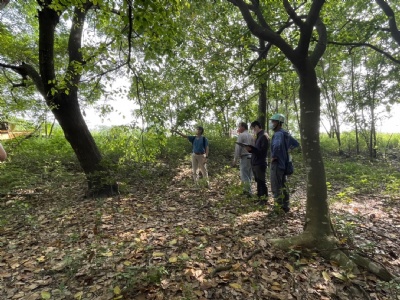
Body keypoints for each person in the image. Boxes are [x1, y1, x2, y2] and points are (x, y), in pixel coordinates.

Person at [269, 113, 299, 213]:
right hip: (285, 164)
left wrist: (274, 156)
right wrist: (287, 151)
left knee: (276, 186)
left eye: (273, 121)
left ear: (278, 123)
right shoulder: (286, 134)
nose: (271, 123)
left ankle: (277, 208)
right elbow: (296, 144)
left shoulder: (278, 134)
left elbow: (277, 146)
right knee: (283, 185)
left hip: (277, 164)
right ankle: (285, 206)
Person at [246, 120, 269, 204]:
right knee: (258, 181)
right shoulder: (258, 136)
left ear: (256, 126)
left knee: (261, 181)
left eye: (253, 128)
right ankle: (259, 197)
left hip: (260, 163)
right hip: (255, 162)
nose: (253, 130)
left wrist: (253, 149)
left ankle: (264, 199)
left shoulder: (264, 136)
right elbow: (257, 150)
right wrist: (250, 150)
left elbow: (263, 151)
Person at [232, 122, 254, 196]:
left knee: (244, 175)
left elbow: (238, 148)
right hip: (251, 157)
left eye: (239, 126)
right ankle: (246, 190)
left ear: (243, 127)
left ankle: (248, 192)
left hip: (244, 157)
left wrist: (235, 159)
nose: (238, 128)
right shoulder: (252, 136)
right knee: (249, 175)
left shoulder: (241, 135)